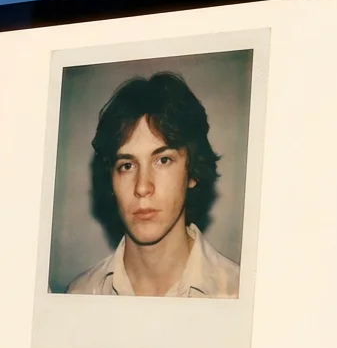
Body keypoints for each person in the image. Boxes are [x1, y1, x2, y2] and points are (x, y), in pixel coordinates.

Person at [66, 70, 240, 298]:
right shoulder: (80, 295)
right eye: (127, 165)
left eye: (163, 160)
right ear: (111, 180)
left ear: (193, 173)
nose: (142, 187)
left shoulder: (239, 293)